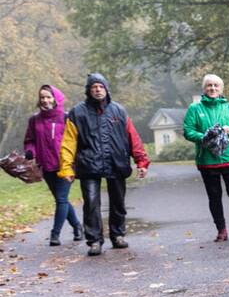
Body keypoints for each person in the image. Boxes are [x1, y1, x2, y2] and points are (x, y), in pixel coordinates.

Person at [58, 73, 150, 256]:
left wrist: (141, 161)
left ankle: (117, 236)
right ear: (88, 90)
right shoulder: (78, 113)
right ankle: (94, 241)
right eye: (94, 87)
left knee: (118, 202)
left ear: (106, 89)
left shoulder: (119, 111)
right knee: (91, 203)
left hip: (116, 163)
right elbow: (68, 143)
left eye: (101, 86)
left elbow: (133, 137)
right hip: (88, 164)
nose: (98, 90)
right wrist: (66, 167)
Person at [183, 74, 229, 242]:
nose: (212, 88)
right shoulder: (195, 109)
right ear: (204, 89)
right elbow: (188, 131)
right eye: (209, 85)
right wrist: (206, 137)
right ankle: (221, 230)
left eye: (216, 85)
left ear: (221, 89)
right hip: (207, 160)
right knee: (214, 196)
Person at [23, 85, 83, 246]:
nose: (45, 100)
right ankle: (78, 226)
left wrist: (76, 162)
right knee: (61, 199)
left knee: (61, 199)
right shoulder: (34, 119)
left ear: (56, 99)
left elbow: (76, 140)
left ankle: (54, 234)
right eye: (42, 97)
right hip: (46, 166)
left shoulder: (66, 117)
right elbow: (30, 140)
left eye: (48, 97)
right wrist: (30, 152)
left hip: (65, 165)